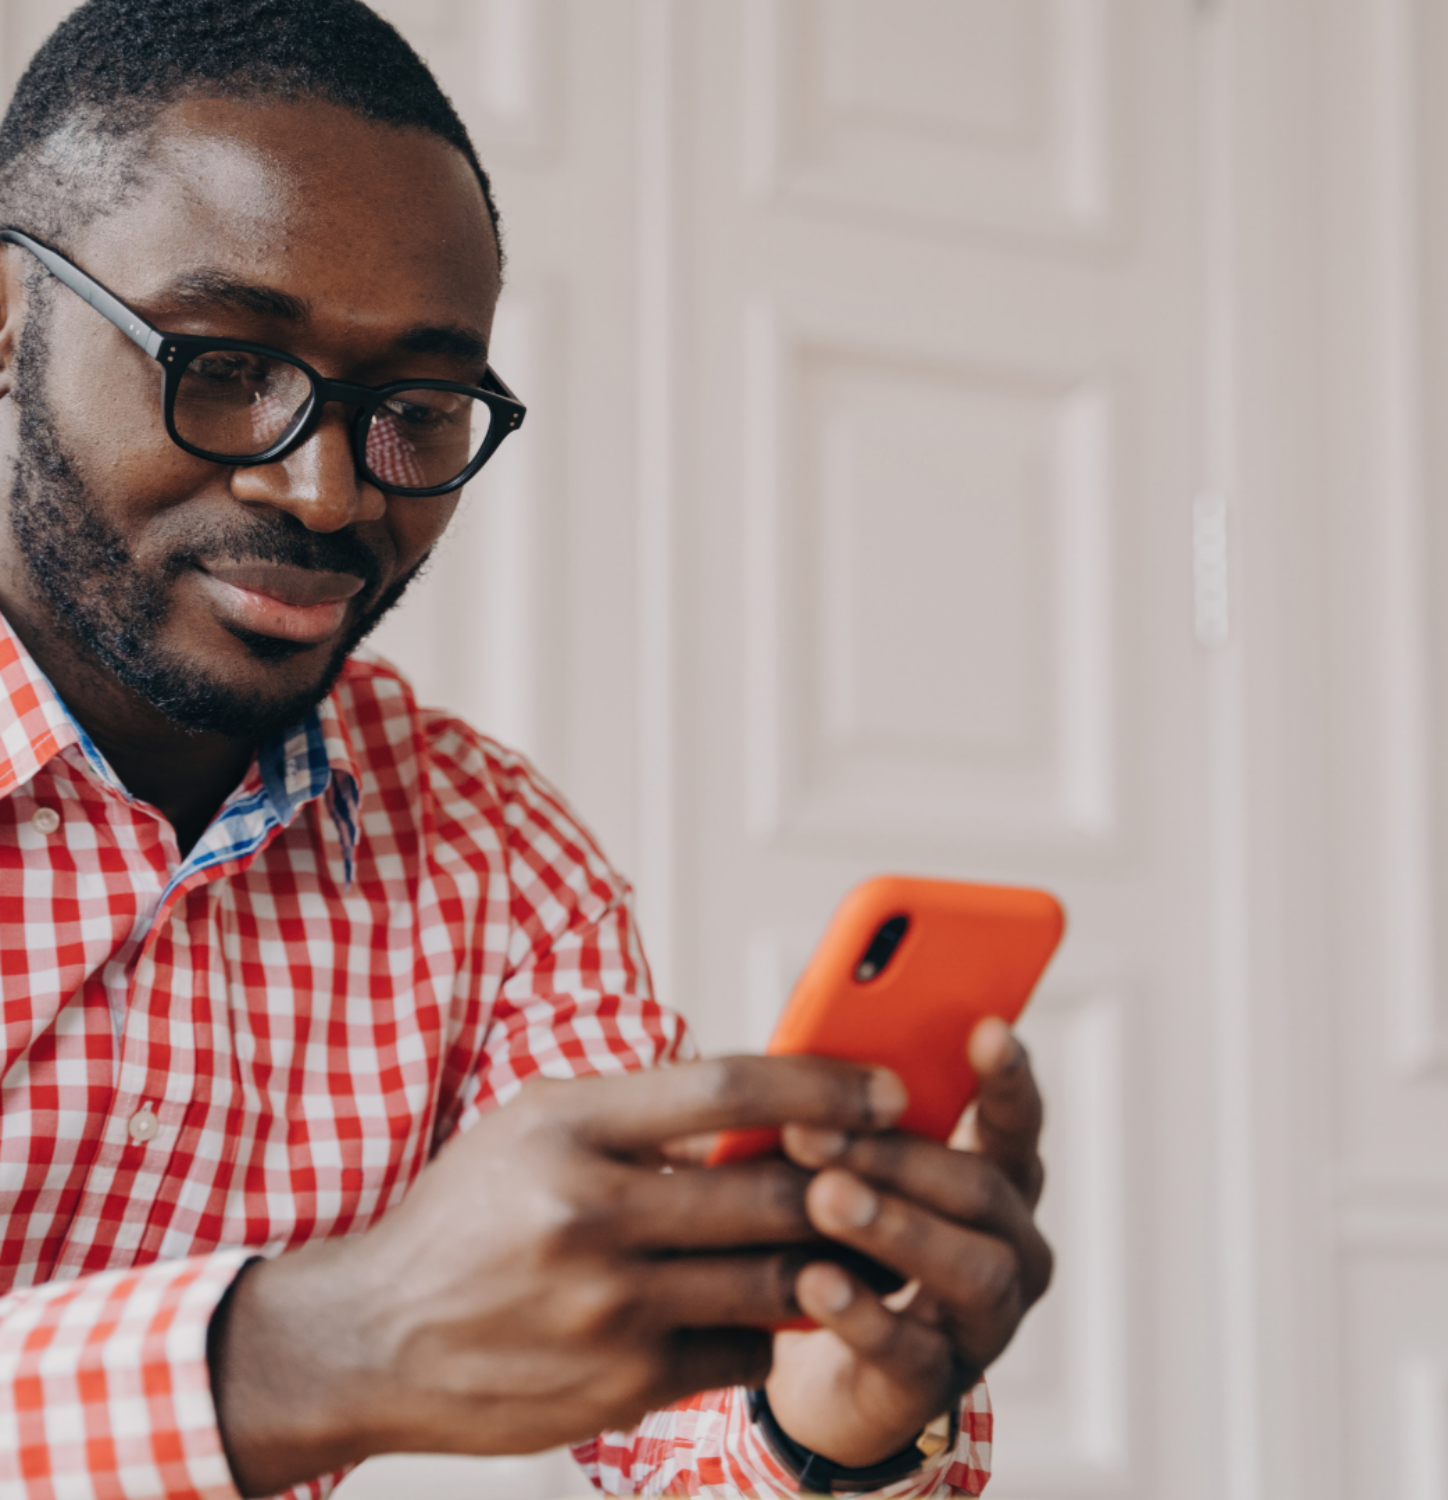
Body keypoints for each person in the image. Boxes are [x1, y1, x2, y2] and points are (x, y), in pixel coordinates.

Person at [0, 2, 1054, 1496]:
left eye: (417, 409)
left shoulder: (492, 860)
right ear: (6, 318)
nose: (320, 491)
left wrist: (823, 1420)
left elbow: (683, 1424)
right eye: (227, 363)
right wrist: (314, 1348)